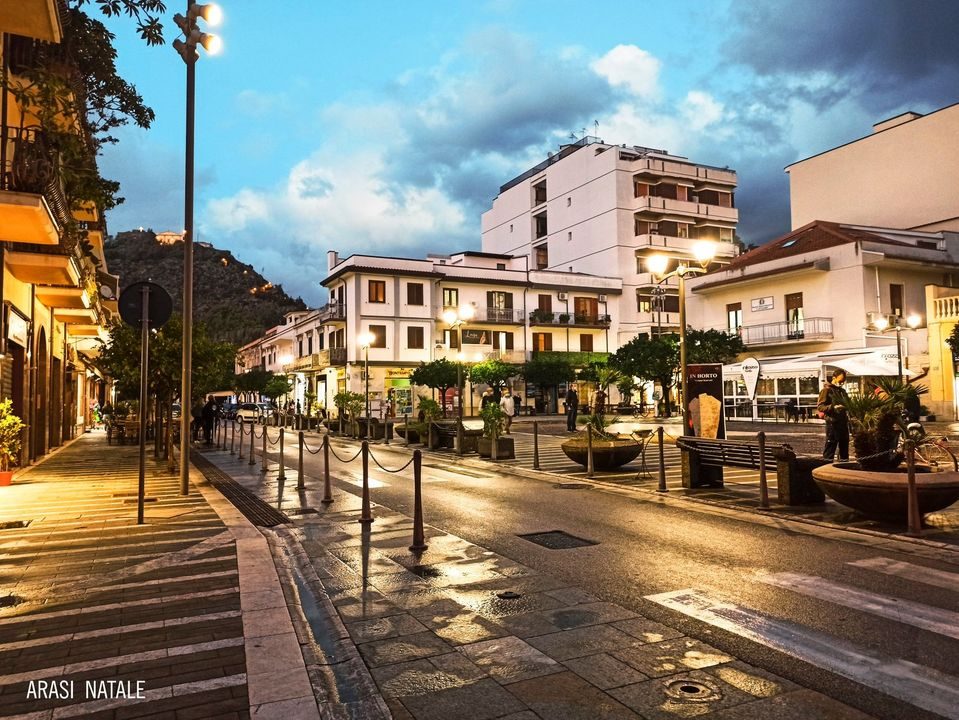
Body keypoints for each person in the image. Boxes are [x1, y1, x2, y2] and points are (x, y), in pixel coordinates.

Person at [818, 370, 849, 461]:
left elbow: (849, 404)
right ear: (834, 378)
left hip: (843, 423)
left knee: (844, 447)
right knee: (830, 448)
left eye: (843, 381)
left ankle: (844, 466)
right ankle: (826, 468)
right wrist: (833, 407)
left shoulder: (842, 391)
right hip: (832, 423)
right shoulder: (826, 390)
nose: (841, 383)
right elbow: (820, 407)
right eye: (840, 381)